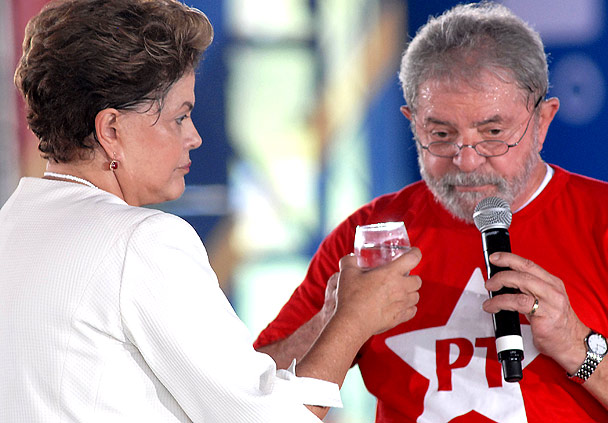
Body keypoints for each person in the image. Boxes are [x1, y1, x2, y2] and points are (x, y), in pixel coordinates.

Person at [0, 1, 423, 422]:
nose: (195, 137)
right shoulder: (142, 242)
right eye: (180, 117)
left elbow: (228, 387)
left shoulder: (13, 225)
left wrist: (328, 319)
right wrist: (354, 321)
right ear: (111, 129)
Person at [254, 2, 608, 422]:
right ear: (412, 123)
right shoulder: (370, 236)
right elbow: (250, 396)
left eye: (493, 133)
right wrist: (336, 319)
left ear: (542, 121)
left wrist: (577, 344)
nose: (466, 161)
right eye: (440, 134)